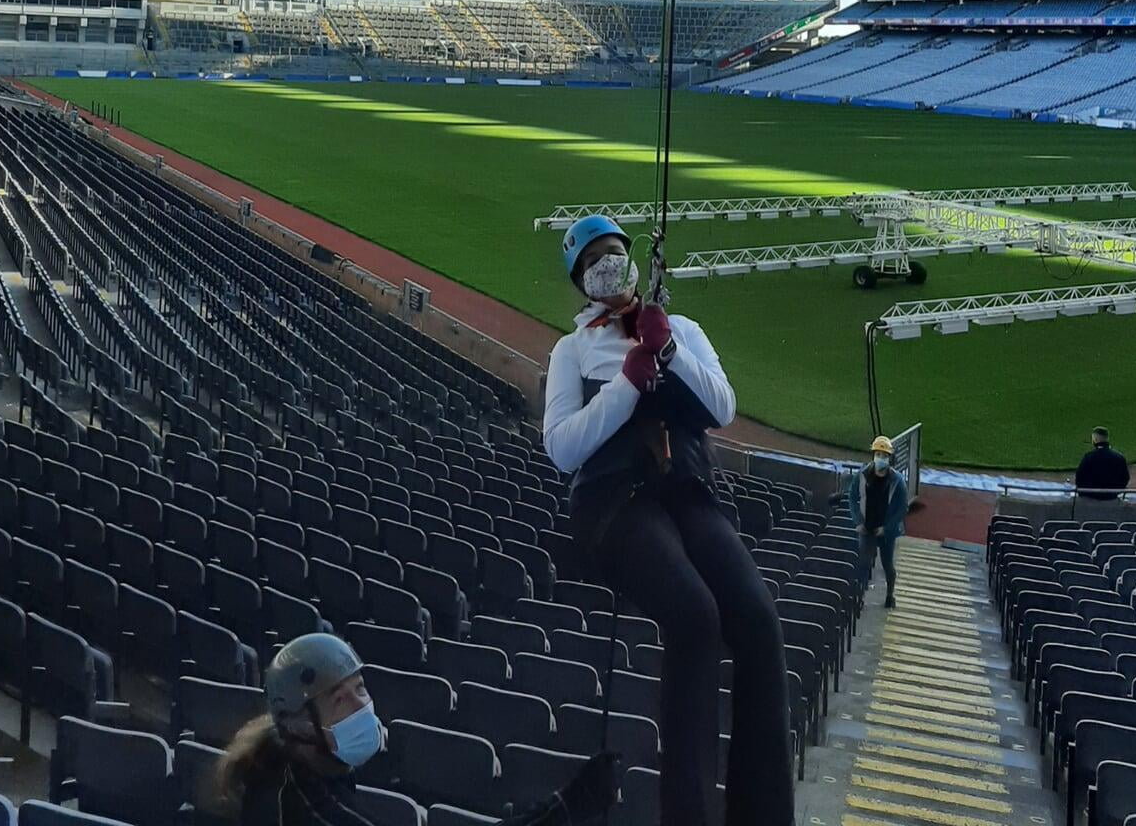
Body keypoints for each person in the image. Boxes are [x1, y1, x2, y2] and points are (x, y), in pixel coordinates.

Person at [543, 215, 794, 826]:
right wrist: (626, 383)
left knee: (758, 620)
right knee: (694, 615)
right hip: (615, 503)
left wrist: (670, 352)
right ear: (581, 281)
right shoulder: (572, 350)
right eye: (593, 261)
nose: (608, 265)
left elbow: (722, 407)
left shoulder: (682, 329)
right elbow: (562, 447)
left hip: (686, 492)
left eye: (613, 252)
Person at [216, 633, 615, 826]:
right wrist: (565, 808)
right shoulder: (308, 811)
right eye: (340, 700)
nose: (362, 706)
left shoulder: (282, 771)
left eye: (360, 688)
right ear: (301, 725)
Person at [849, 435, 908, 609]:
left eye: (884, 455)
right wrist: (858, 522)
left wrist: (887, 528)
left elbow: (902, 509)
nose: (880, 458)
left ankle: (890, 595)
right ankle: (859, 598)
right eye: (878, 454)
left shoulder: (897, 481)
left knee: (888, 565)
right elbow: (852, 498)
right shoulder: (862, 475)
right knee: (863, 564)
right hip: (866, 528)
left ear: (889, 458)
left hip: (885, 531)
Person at [1074, 426, 1130, 501]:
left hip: (1090, 498)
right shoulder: (1119, 457)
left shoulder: (1089, 457)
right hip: (1112, 498)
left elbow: (1079, 478)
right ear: (1107, 439)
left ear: (1095, 440)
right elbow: (1125, 478)